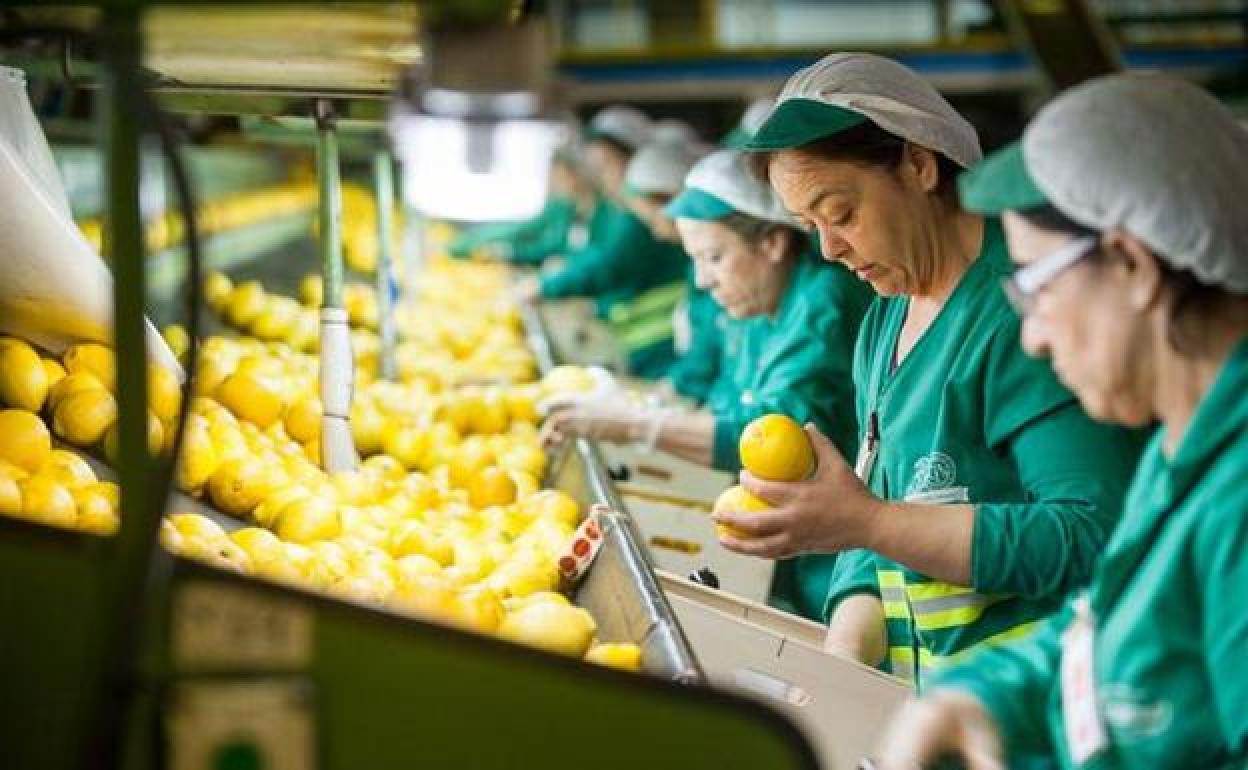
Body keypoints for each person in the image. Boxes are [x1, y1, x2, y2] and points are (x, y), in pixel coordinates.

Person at [713, 52, 1144, 687]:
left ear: (918, 163)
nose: (829, 249)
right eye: (810, 227)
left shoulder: (1025, 313)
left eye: (840, 213)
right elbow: (874, 514)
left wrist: (867, 522)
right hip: (941, 712)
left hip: (1038, 714)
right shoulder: (884, 322)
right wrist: (841, 671)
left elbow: (1087, 532)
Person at [878, 74, 1248, 770]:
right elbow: (1105, 633)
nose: (1033, 339)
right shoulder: (1182, 449)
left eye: (1035, 288)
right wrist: (973, 697)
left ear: (1132, 264)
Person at [542, 149, 874, 620]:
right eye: (696, 261)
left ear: (773, 244)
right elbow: (719, 399)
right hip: (797, 545)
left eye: (715, 257)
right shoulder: (758, 305)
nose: (703, 281)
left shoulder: (822, 304)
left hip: (844, 563)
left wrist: (637, 424)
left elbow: (767, 434)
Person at [516, 106, 689, 378]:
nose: (603, 177)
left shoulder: (640, 217)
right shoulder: (617, 209)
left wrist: (546, 286)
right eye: (598, 168)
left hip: (658, 343)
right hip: (637, 336)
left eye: (609, 165)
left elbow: (611, 261)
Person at [448, 151, 597, 265]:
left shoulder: (596, 213)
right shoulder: (562, 208)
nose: (558, 184)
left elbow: (554, 248)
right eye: (555, 177)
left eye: (562, 177)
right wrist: (470, 242)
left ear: (578, 175)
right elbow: (521, 229)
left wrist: (510, 253)